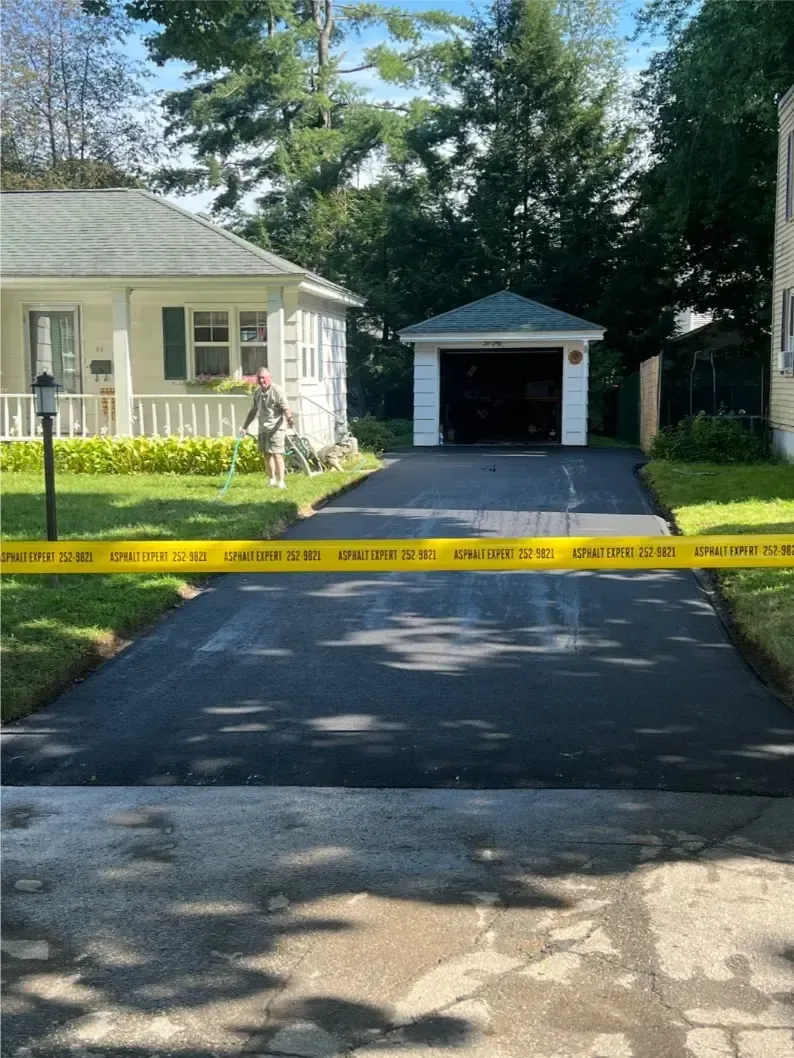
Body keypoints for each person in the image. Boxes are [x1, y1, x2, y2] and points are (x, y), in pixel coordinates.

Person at [240, 368, 294, 488]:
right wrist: (245, 427)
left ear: (269, 378)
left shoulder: (277, 391)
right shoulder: (257, 392)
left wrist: (289, 419)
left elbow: (286, 407)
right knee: (266, 454)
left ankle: (281, 482)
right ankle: (272, 480)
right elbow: (253, 411)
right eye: (259, 378)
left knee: (277, 454)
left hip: (276, 428)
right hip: (263, 427)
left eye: (264, 378)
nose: (261, 380)